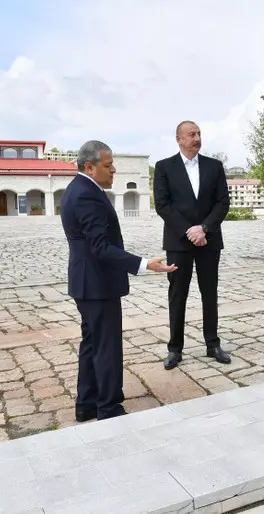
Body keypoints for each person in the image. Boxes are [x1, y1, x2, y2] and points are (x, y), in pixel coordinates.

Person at [60, 140, 176, 422]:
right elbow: (100, 247)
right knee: (106, 347)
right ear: (90, 167)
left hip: (86, 283)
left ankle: (87, 404)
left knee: (92, 343)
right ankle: (109, 408)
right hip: (97, 285)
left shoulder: (77, 189)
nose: (114, 170)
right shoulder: (87, 195)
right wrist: (144, 264)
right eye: (108, 165)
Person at [153, 120, 231, 370]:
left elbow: (222, 202)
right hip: (179, 241)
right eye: (191, 134)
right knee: (178, 295)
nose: (196, 138)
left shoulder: (214, 166)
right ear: (179, 139)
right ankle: (175, 348)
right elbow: (162, 205)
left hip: (209, 240)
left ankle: (213, 344)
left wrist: (204, 228)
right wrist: (189, 231)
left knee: (210, 293)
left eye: (198, 134)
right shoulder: (164, 167)